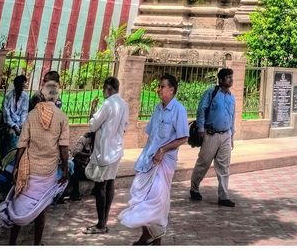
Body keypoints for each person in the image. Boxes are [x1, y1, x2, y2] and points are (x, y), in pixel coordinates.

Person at [0, 80, 69, 246]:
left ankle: (12, 243)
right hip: (48, 171)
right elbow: (64, 147)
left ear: (42, 95)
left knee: (18, 204)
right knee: (41, 208)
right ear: (56, 97)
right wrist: (65, 169)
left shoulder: (31, 115)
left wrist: (16, 167)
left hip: (28, 168)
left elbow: (22, 144)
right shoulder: (62, 117)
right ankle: (37, 244)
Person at [119, 74, 188, 246]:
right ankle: (146, 234)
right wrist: (147, 155)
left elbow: (183, 137)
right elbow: (151, 135)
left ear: (171, 89)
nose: (159, 89)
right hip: (148, 159)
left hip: (165, 162)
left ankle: (157, 239)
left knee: (157, 199)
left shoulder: (179, 109)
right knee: (140, 195)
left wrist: (162, 150)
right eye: (159, 86)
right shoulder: (158, 109)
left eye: (162, 86)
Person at [83, 75, 129, 235]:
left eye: (104, 90)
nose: (103, 92)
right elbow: (125, 127)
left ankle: (101, 224)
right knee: (110, 183)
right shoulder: (124, 104)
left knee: (100, 186)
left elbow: (93, 125)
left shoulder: (108, 104)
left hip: (104, 151)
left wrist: (92, 111)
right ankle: (104, 220)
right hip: (116, 150)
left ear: (108, 89)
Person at [190, 67, 237, 206]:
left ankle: (223, 197)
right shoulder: (212, 93)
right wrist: (200, 128)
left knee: (224, 167)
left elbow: (232, 118)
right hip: (211, 134)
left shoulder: (232, 97)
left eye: (231, 77)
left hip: (226, 135)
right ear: (221, 80)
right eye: (228, 77)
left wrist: (231, 136)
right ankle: (194, 188)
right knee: (203, 163)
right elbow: (201, 110)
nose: (231, 80)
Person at [0, 76, 29, 157]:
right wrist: (14, 126)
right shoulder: (8, 95)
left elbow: (24, 113)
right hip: (8, 124)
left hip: (20, 124)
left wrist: (20, 125)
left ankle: (15, 157)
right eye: (22, 85)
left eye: (24, 85)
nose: (23, 87)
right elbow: (6, 115)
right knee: (11, 134)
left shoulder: (25, 96)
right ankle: (6, 158)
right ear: (17, 85)